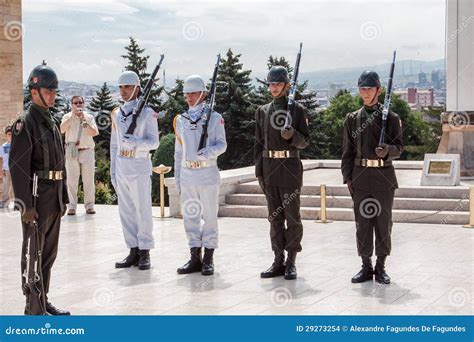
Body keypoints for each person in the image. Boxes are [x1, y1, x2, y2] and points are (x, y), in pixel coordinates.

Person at [9, 62, 70, 315]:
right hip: (36, 196)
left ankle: (42, 300)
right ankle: (32, 306)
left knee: (48, 254)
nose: (53, 95)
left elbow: (60, 161)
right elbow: (17, 166)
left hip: (53, 195)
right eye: (49, 91)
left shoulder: (51, 121)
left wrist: (64, 195)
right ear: (35, 93)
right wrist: (25, 205)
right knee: (33, 252)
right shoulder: (26, 123)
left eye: (55, 91)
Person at [341, 70, 403, 285]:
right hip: (360, 176)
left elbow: (399, 148)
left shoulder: (391, 118)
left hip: (383, 176)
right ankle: (366, 266)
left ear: (379, 90)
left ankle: (381, 266)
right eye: (362, 88)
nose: (365, 93)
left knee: (383, 222)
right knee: (363, 223)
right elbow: (347, 152)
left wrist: (387, 150)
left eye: (369, 88)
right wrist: (348, 178)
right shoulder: (352, 119)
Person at [254, 66, 310, 280]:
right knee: (274, 218)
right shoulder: (262, 111)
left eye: (278, 84)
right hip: (269, 169)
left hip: (290, 168)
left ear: (286, 86)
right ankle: (277, 259)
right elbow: (258, 144)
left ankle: (291, 261)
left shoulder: (296, 110)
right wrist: (259, 171)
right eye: (271, 84)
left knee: (292, 217)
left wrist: (292, 135)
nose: (274, 88)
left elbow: (305, 141)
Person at [174, 75, 227, 276]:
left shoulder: (215, 118)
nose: (189, 97)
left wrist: (208, 152)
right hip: (188, 173)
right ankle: (194, 256)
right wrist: (178, 178)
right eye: (186, 93)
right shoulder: (180, 120)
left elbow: (222, 145)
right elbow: (178, 153)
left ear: (203, 94)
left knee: (210, 216)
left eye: (193, 93)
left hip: (207, 172)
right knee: (190, 216)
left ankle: (209, 258)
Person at [110, 70, 159, 271]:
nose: (123, 91)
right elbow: (114, 144)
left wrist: (136, 143)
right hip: (122, 165)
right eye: (121, 87)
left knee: (142, 209)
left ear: (137, 89)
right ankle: (133, 249)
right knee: (126, 210)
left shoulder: (147, 113)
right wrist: (113, 170)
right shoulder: (116, 113)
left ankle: (145, 251)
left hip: (139, 165)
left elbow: (154, 142)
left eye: (128, 87)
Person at [60, 96, 99, 215]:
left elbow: (94, 132)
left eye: (80, 102)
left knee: (88, 180)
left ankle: (89, 206)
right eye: (75, 103)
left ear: (84, 104)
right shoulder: (67, 116)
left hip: (87, 150)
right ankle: (71, 207)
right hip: (72, 151)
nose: (78, 105)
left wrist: (84, 121)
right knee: (71, 180)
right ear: (71, 104)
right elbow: (61, 130)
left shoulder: (89, 117)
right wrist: (72, 116)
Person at [0, 125, 13, 209]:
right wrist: (1, 170)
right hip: (6, 169)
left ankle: (17, 202)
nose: (10, 136)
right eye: (8, 134)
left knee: (16, 186)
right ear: (6, 135)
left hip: (15, 169)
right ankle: (4, 202)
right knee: (5, 185)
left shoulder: (16, 145)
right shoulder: (3, 146)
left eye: (11, 134)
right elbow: (1, 159)